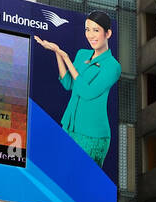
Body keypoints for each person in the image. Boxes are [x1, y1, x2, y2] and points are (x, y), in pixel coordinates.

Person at [34, 11, 122, 167]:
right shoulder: (82, 55)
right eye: (87, 29)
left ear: (108, 33)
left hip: (92, 136)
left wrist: (67, 58)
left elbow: (88, 92)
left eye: (96, 30)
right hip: (69, 127)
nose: (90, 35)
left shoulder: (113, 66)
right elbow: (68, 83)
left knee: (83, 183)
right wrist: (57, 53)